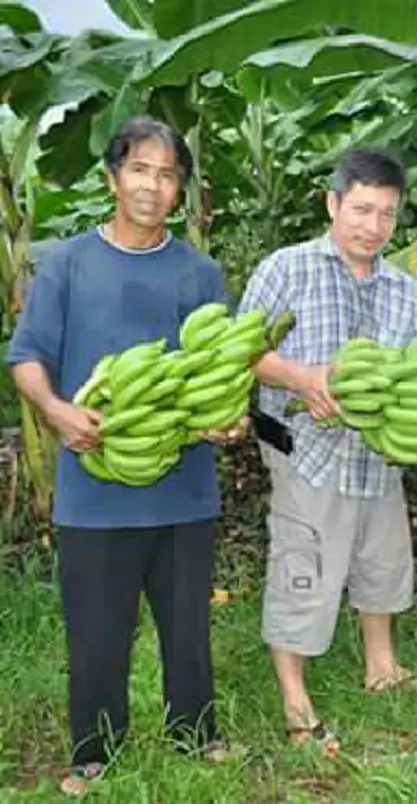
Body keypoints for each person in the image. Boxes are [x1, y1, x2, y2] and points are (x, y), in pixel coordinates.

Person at [6, 116, 246, 797]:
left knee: (187, 627)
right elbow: (26, 357)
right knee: (96, 633)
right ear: (114, 178)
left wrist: (225, 424)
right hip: (94, 488)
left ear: (179, 191)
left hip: (185, 488)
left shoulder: (199, 274)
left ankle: (196, 732)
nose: (153, 184)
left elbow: (221, 371)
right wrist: (56, 411)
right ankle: (92, 751)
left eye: (168, 174)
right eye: (140, 169)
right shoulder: (69, 264)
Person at [241, 148, 417, 756]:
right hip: (303, 446)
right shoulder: (286, 268)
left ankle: (383, 667)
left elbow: (408, 373)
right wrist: (302, 378)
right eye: (362, 209)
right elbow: (240, 349)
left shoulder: (404, 290)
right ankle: (297, 704)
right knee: (306, 561)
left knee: (381, 556)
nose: (373, 226)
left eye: (386, 214)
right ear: (333, 203)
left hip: (375, 452)